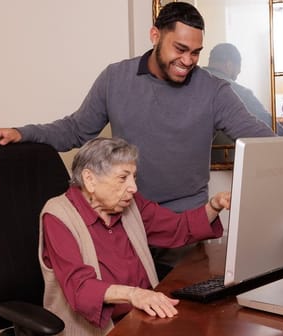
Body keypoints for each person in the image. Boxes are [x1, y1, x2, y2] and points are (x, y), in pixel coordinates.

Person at [0, 2, 273, 214]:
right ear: (155, 36)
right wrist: (22, 133)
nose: (188, 60)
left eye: (196, 52)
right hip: (127, 222)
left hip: (188, 228)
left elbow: (261, 139)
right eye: (180, 49)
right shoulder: (115, 79)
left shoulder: (214, 91)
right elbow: (75, 130)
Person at [39, 137, 230, 334]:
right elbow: (80, 288)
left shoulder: (130, 203)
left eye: (134, 177)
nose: (133, 188)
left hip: (144, 316)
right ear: (90, 179)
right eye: (123, 178)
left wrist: (213, 206)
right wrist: (134, 295)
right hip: (98, 329)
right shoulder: (58, 216)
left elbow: (177, 227)